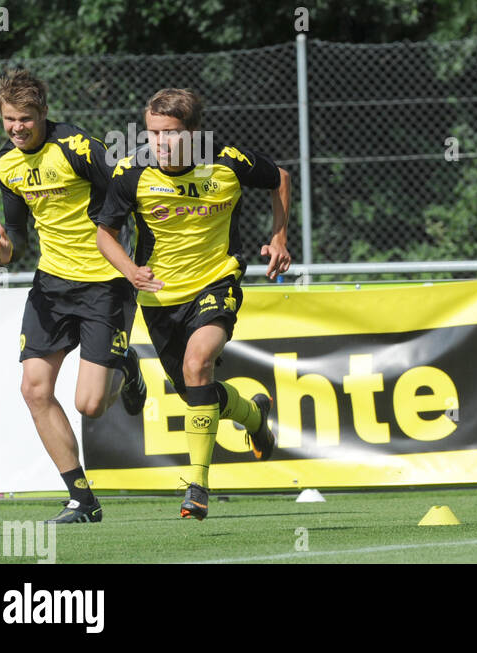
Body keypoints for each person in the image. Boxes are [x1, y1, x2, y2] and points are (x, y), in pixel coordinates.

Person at [94, 88, 292, 519]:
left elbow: (279, 177)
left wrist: (279, 237)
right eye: (152, 133)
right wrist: (130, 270)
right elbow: (104, 234)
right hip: (160, 296)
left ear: (195, 133)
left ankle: (197, 485)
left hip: (216, 282)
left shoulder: (225, 161)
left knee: (198, 362)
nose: (159, 143)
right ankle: (254, 418)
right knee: (196, 394)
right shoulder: (132, 172)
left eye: (170, 134)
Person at [0, 69, 147, 524]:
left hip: (105, 282)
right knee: (34, 389)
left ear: (43, 113)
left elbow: (127, 185)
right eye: (9, 119)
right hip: (51, 286)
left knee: (89, 404)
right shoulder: (7, 166)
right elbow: (17, 233)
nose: (17, 128)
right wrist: (6, 252)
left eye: (25, 118)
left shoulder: (76, 148)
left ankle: (126, 365)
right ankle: (81, 498)